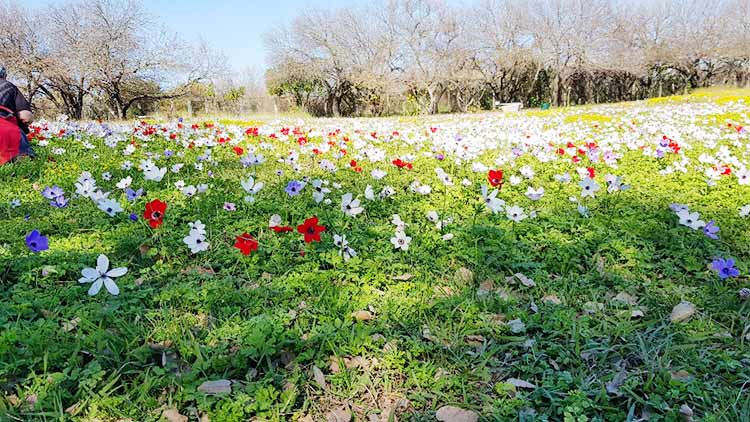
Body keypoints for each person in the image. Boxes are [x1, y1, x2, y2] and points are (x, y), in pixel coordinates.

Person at [0, 64, 34, 164]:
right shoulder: (8, 86)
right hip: (4, 129)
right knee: (23, 162)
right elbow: (26, 117)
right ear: (4, 75)